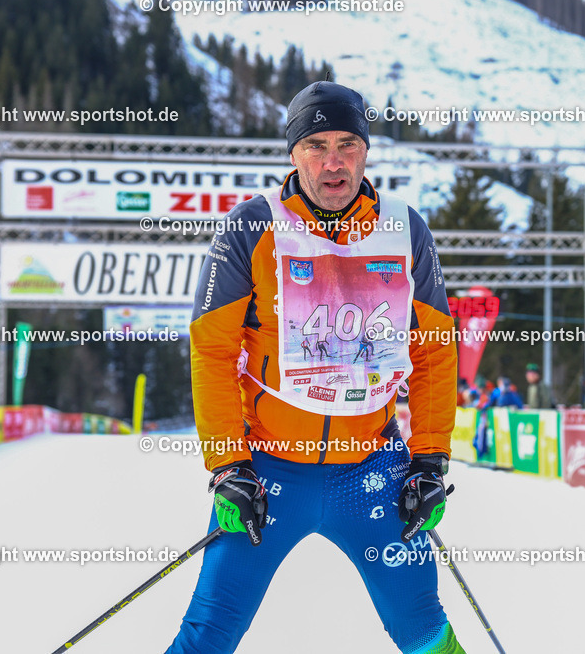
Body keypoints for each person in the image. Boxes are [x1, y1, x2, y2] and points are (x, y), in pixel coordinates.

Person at [167, 81, 465, 654]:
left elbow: (433, 349)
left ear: (367, 150)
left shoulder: (406, 230)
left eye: (348, 144)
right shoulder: (252, 228)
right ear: (293, 153)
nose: (334, 162)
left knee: (424, 629)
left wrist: (429, 460)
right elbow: (212, 352)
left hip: (371, 474)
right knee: (209, 632)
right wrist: (228, 466)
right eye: (316, 145)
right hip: (267, 477)